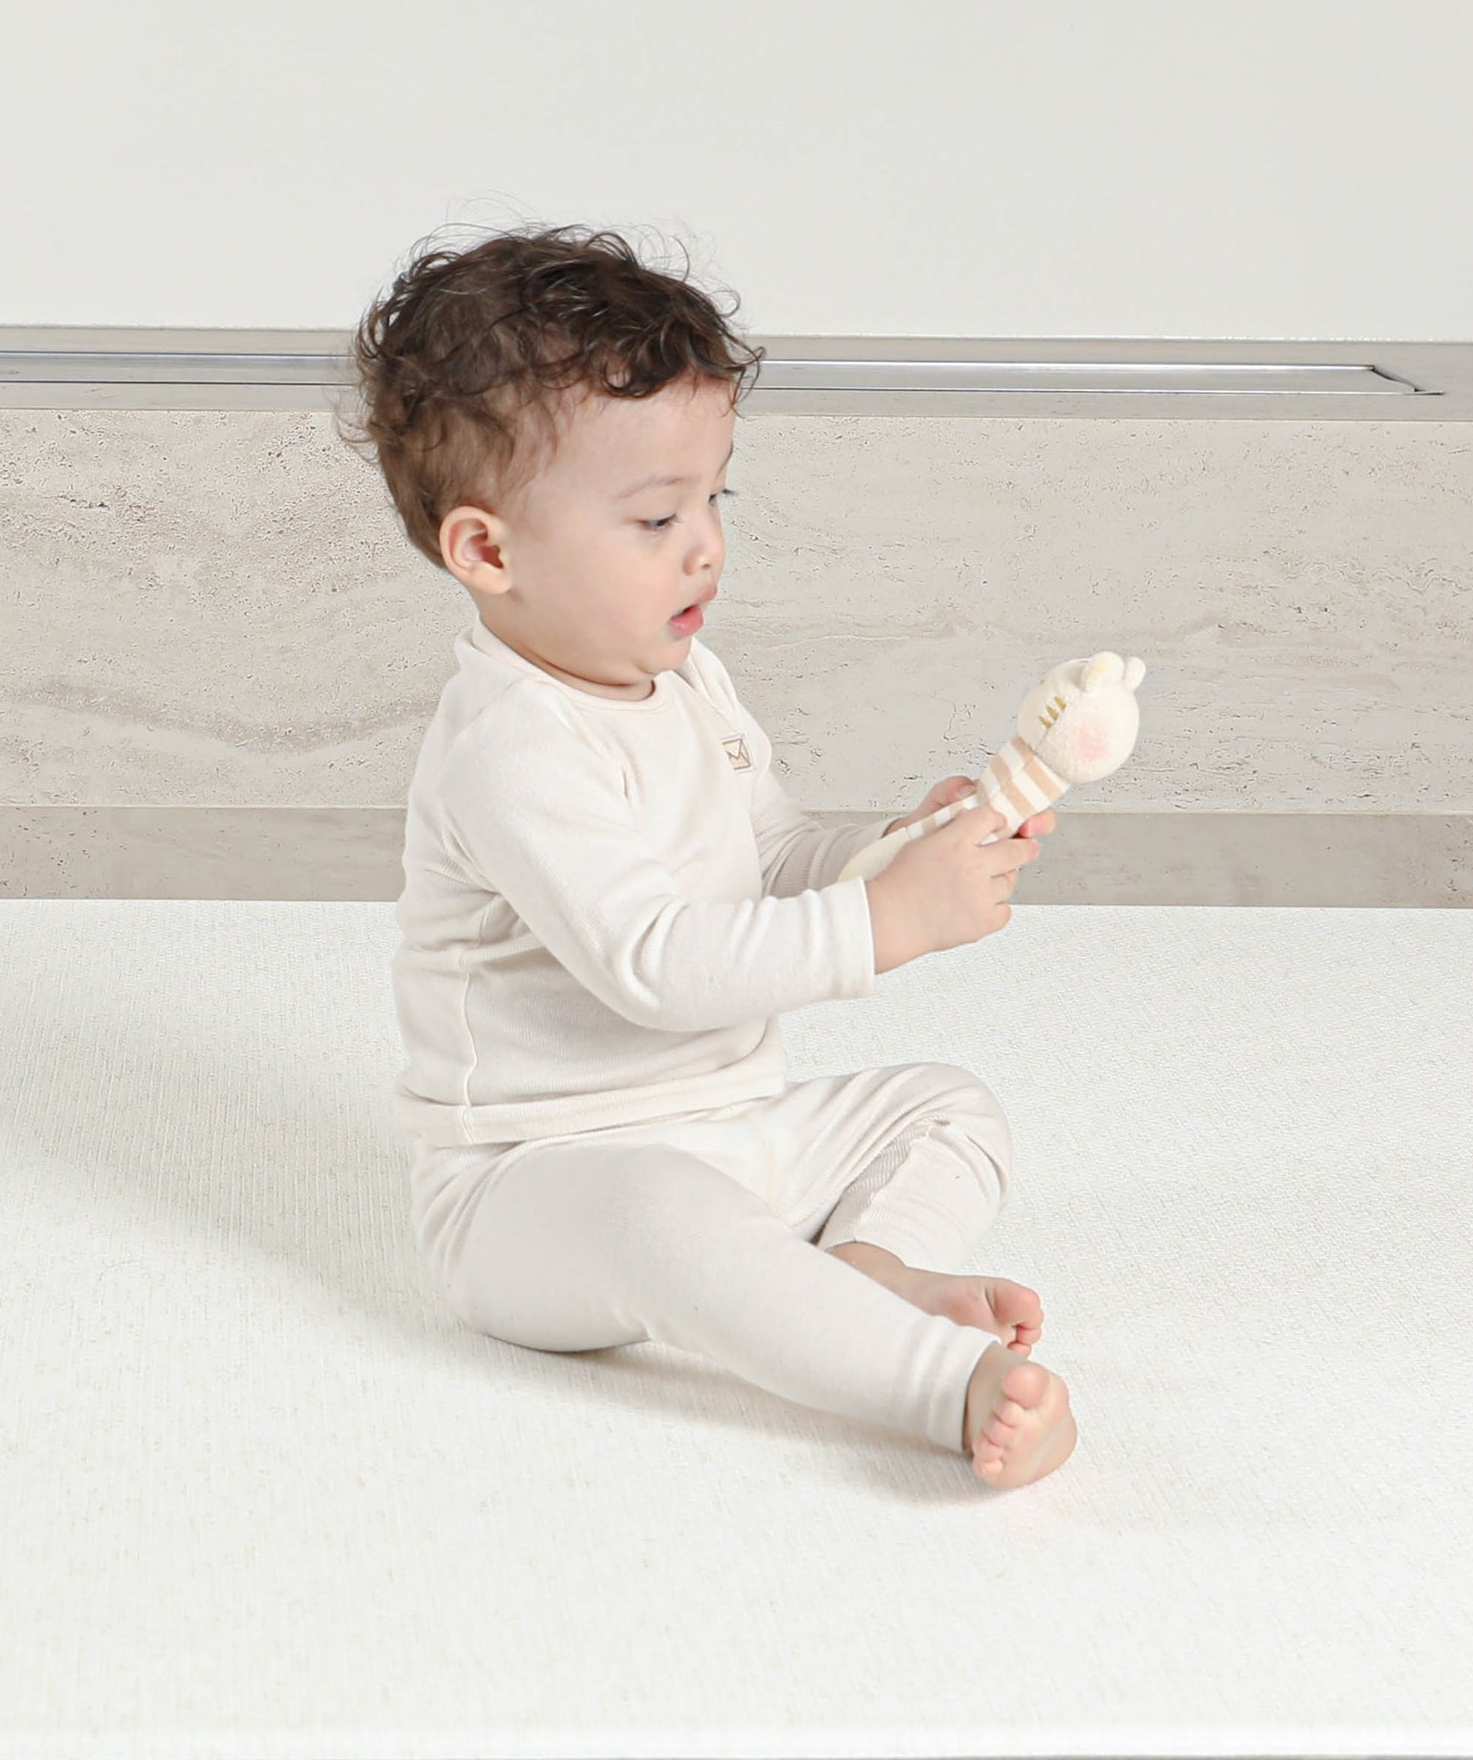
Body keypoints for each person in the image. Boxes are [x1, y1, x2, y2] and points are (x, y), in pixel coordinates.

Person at [351, 226, 1076, 1487]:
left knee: (946, 1106)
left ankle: (858, 1275)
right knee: (661, 1219)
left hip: (727, 1131)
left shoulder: (685, 682)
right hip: (539, 1192)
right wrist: (890, 922)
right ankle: (933, 1387)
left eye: (711, 500)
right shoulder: (509, 747)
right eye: (653, 516)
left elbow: (771, 855)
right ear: (487, 552)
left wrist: (899, 851)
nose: (704, 546)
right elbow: (655, 966)